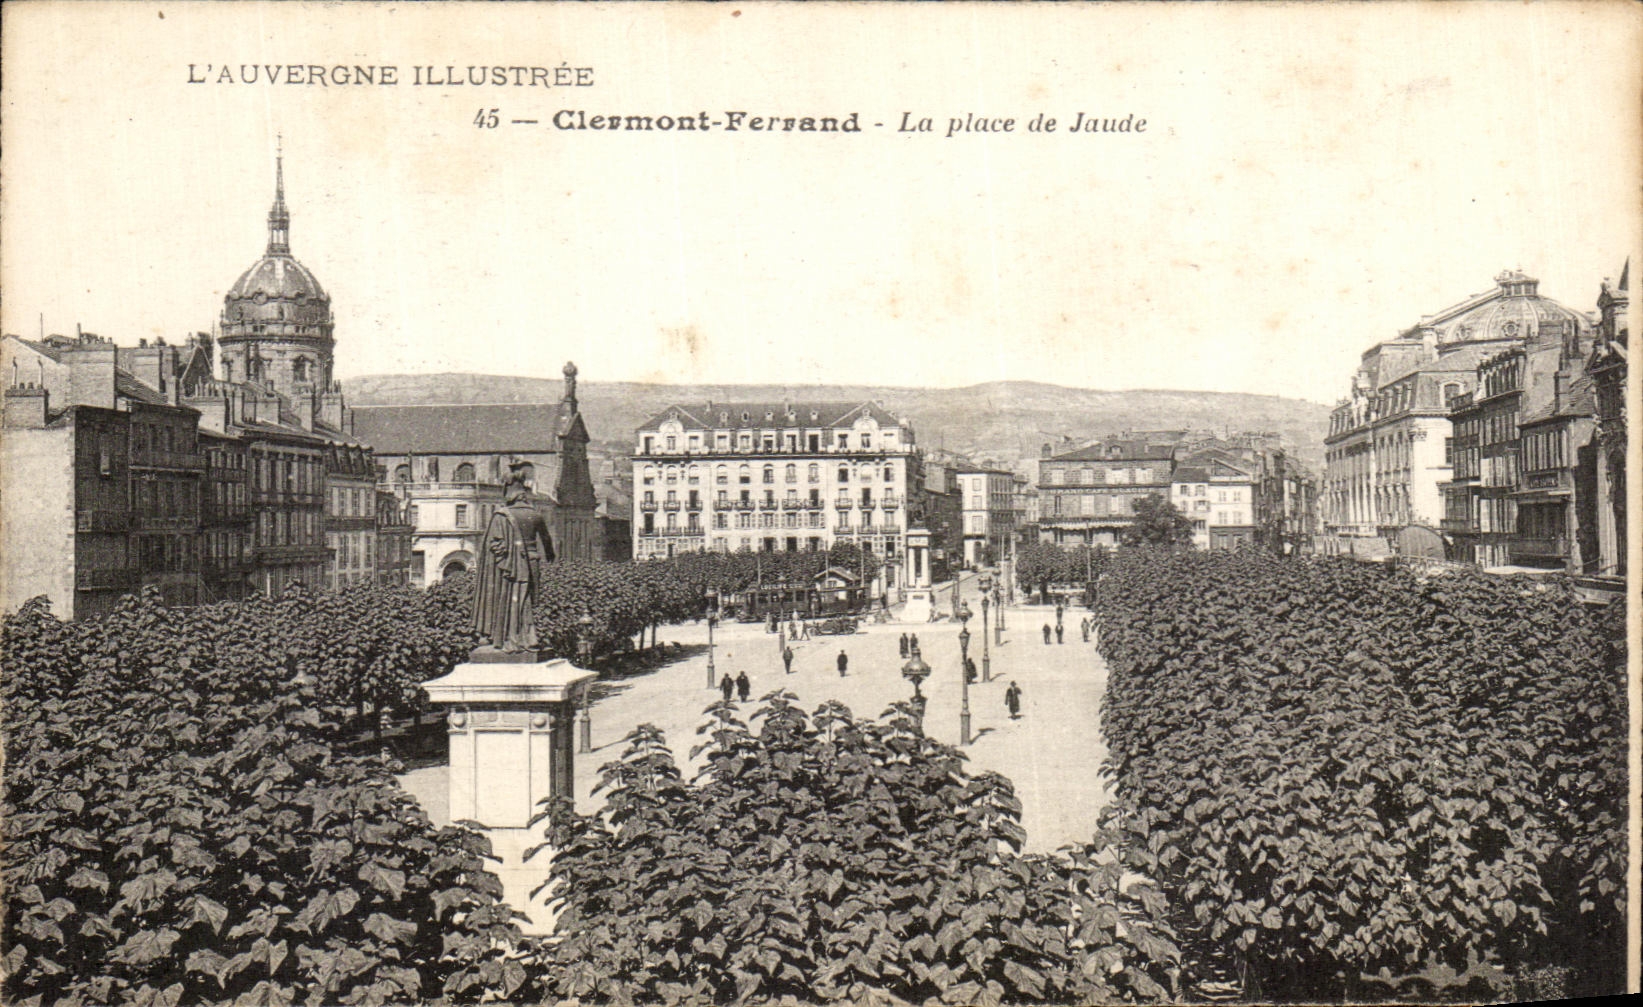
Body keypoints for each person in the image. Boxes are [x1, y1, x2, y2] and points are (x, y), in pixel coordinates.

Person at [471, 462, 555, 652]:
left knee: (508, 598)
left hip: (508, 564)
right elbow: (548, 546)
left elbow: (493, 545)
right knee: (524, 599)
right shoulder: (535, 514)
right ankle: (528, 636)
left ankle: (507, 636)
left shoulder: (502, 515)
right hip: (532, 563)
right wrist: (548, 555)